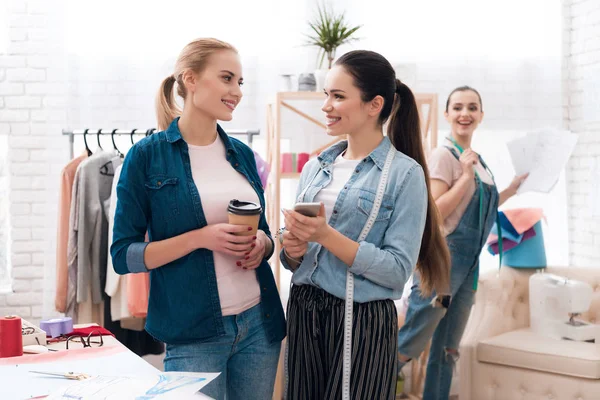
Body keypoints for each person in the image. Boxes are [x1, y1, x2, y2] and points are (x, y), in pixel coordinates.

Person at [110, 38, 285, 400]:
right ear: (190, 79)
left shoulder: (242, 155)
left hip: (258, 325)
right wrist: (199, 238)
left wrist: (263, 245)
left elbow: (264, 233)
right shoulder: (146, 157)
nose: (236, 91)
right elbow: (123, 255)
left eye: (240, 82)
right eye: (226, 78)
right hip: (193, 335)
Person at [279, 50, 451, 400]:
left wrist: (326, 236)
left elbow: (396, 271)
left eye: (338, 96)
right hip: (303, 310)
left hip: (362, 320)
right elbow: (295, 258)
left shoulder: (405, 174)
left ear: (375, 105)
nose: (326, 105)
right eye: (326, 94)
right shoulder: (315, 168)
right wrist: (291, 248)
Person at [396, 86, 528, 400]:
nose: (464, 114)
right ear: (447, 114)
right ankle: (371, 387)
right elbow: (436, 211)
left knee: (448, 349)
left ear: (481, 115)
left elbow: (483, 207)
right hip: (443, 263)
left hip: (468, 266)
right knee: (412, 339)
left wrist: (509, 189)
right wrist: (465, 178)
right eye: (457, 108)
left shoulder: (478, 161)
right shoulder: (445, 156)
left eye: (472, 107)